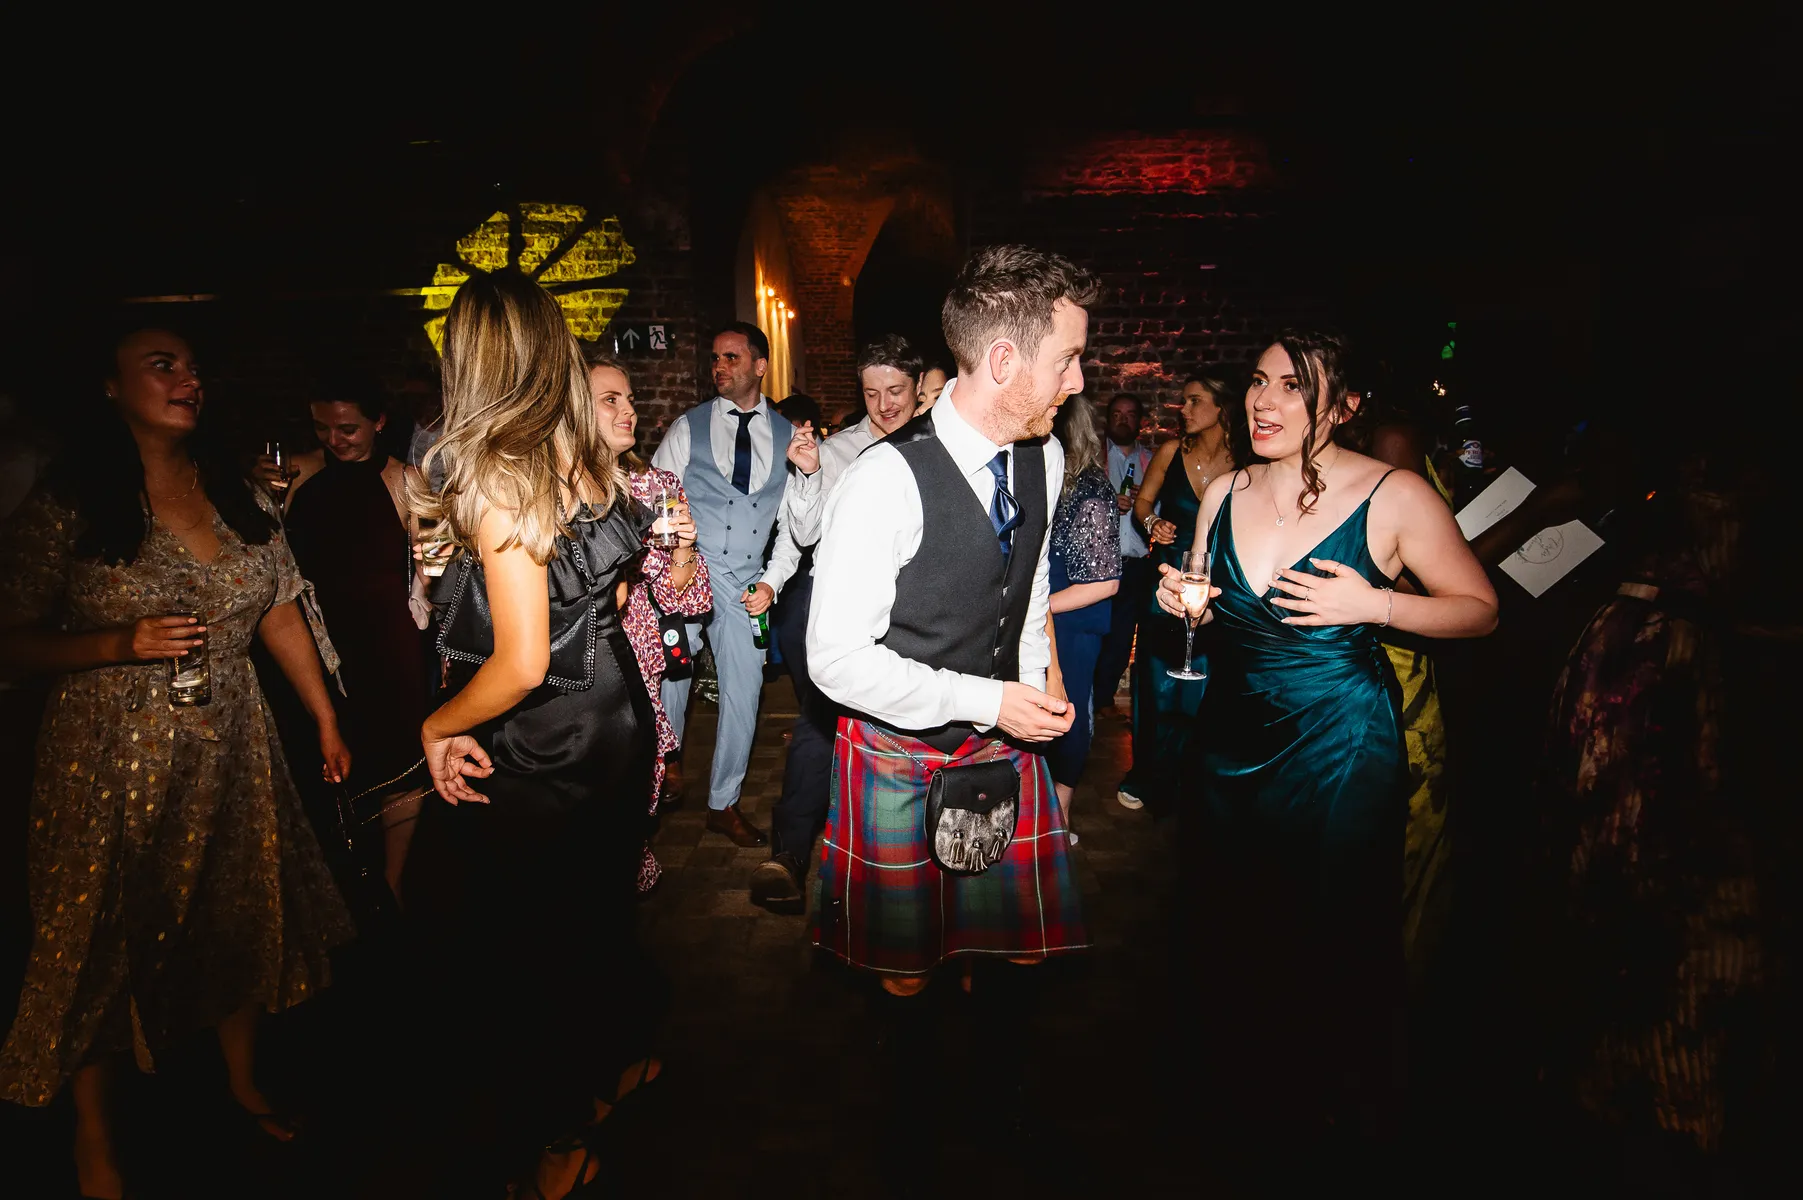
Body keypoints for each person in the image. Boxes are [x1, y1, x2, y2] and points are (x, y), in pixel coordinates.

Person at [0, 324, 354, 1198]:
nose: (188, 378)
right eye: (163, 366)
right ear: (111, 388)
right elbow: (11, 637)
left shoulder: (232, 488)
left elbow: (276, 608)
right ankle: (95, 1141)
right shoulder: (70, 502)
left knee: (240, 910)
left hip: (232, 744)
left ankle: (240, 1082)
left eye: (194, 366)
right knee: (98, 938)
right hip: (105, 759)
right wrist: (119, 641)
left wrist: (322, 720)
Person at [1156, 329, 1497, 1140]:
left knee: (1329, 927)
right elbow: (1206, 598)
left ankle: (1334, 1115)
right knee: (1231, 922)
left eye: (1291, 388)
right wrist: (1185, 601)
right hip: (1229, 742)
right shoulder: (1223, 491)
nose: (1263, 402)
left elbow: (1479, 610)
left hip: (1339, 744)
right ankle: (1242, 1102)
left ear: (1340, 408)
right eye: (1257, 382)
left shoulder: (1395, 495)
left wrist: (1375, 606)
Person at [400, 271, 658, 1199]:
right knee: (588, 919)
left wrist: (435, 722)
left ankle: (561, 1133)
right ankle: (615, 1069)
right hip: (615, 722)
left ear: (468, 355)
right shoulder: (576, 450)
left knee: (523, 950)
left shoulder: (503, 475)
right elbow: (619, 590)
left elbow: (517, 663)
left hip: (546, 746)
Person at [808, 243, 1093, 999]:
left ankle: (1000, 1098)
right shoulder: (881, 481)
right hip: (902, 749)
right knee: (907, 970)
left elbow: (1025, 585)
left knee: (1014, 950)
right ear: (1003, 360)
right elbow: (833, 660)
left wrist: (1034, 686)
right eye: (1066, 359)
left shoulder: (1046, 455)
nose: (1078, 379)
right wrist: (988, 700)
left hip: (1009, 743)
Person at [748, 334, 922, 912]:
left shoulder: (936, 450)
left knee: (897, 734)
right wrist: (806, 474)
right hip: (839, 610)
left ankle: (896, 864)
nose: (883, 404)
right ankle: (791, 855)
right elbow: (802, 533)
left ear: (918, 388)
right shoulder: (839, 449)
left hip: (911, 614)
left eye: (895, 389)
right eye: (871, 392)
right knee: (820, 722)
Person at [650, 322, 819, 846]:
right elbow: (657, 494)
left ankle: (723, 803)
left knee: (745, 695)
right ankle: (667, 767)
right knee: (673, 671)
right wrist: (672, 557)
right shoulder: (689, 426)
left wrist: (771, 581)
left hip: (748, 579)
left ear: (760, 366)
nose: (719, 366)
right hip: (690, 566)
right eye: (715, 359)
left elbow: (798, 532)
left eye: (731, 357)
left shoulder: (791, 436)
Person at [279, 381, 432, 900]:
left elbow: (429, 570)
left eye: (348, 428)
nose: (335, 440)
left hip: (389, 642)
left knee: (398, 761)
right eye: (323, 428)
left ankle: (392, 883)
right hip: (319, 641)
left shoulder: (405, 479)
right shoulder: (293, 474)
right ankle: (343, 879)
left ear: (380, 422)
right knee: (332, 760)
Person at [587, 353, 710, 893]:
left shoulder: (654, 483)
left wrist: (683, 548)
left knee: (633, 797)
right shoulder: (554, 491)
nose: (628, 410)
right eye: (610, 400)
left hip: (638, 658)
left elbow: (684, 596)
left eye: (629, 398)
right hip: (576, 665)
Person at [1120, 373, 1238, 813]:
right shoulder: (1171, 452)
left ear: (1221, 408)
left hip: (1218, 586)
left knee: (1205, 686)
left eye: (1193, 401)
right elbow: (1142, 506)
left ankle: (1194, 778)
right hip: (1167, 579)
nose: (1183, 410)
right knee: (1157, 683)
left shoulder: (1246, 461)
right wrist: (1153, 524)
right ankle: (1149, 773)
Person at [1045, 391, 1121, 843]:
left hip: (1072, 625)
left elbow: (1105, 583)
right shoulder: (1045, 479)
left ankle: (1059, 823)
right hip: (1047, 619)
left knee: (1069, 720)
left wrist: (1035, 605)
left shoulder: (1091, 489)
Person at [1091, 393, 1152, 721]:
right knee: (1097, 632)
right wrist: (1108, 503)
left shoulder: (1152, 461)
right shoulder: (1096, 459)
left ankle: (1103, 699)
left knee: (1123, 636)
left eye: (1130, 414)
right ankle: (1088, 698)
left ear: (1140, 420)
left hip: (1136, 564)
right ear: (1108, 419)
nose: (1123, 420)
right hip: (1101, 562)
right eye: (1117, 414)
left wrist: (1149, 506)